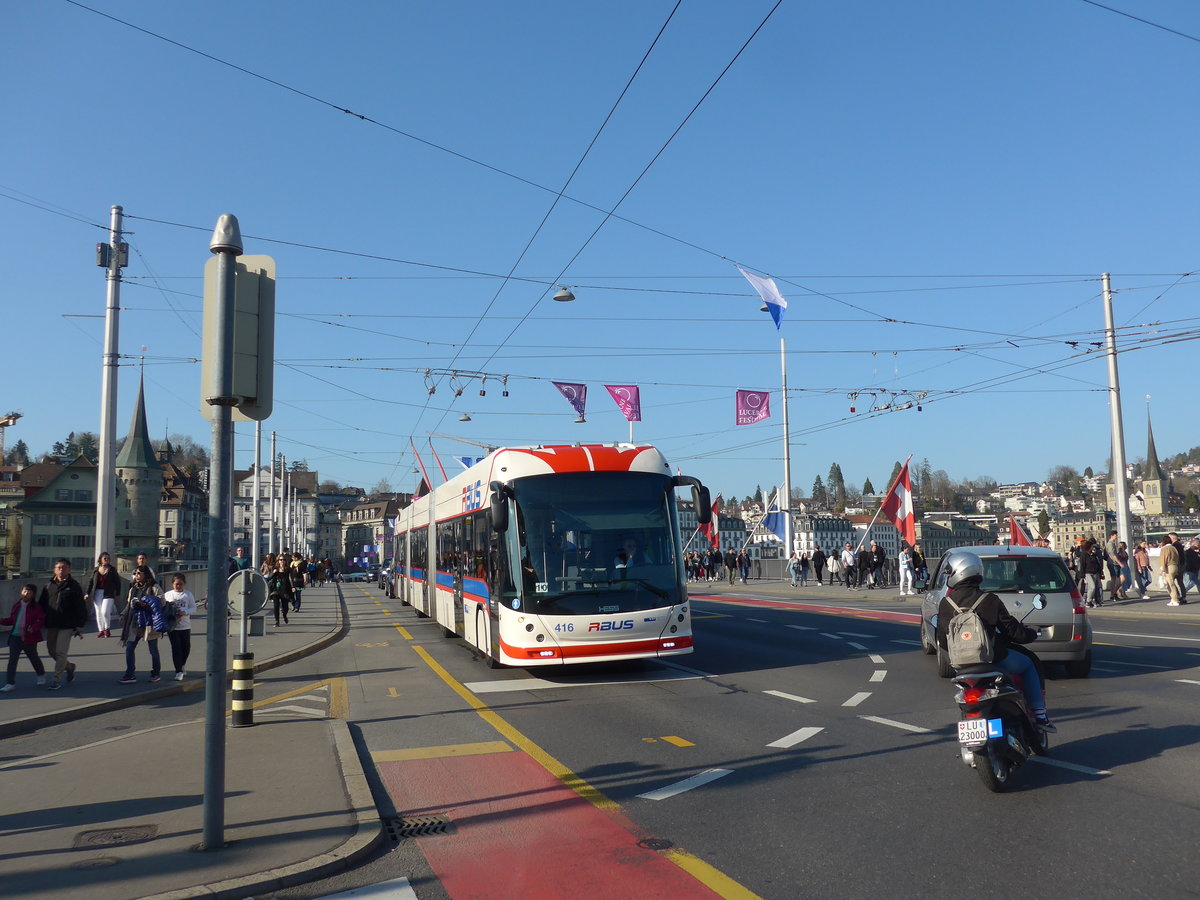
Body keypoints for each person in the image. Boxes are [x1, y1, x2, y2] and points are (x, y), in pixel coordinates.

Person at [935, 549, 1054, 731]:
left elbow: (943, 642)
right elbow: (1014, 633)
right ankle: (1039, 714)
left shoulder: (945, 604)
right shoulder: (989, 600)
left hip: (960, 666)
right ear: (975, 571)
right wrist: (1030, 632)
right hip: (992, 660)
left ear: (958, 572)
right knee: (1029, 664)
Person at [38, 558, 86, 691]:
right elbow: (41, 604)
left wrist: (80, 624)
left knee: (60, 652)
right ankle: (69, 667)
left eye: (64, 567)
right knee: (52, 651)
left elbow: (80, 607)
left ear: (69, 570)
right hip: (52, 623)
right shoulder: (48, 585)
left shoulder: (74, 586)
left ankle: (56, 679)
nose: (61, 569)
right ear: (54, 569)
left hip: (67, 624)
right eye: (58, 567)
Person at [118, 566, 167, 684]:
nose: (137, 575)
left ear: (146, 574)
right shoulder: (133, 589)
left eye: (139, 573)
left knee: (153, 649)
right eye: (135, 573)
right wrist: (123, 614)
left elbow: (162, 601)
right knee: (129, 648)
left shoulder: (154, 587)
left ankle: (156, 673)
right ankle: (130, 674)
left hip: (150, 622)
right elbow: (130, 604)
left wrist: (146, 602)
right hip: (135, 622)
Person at [2, 584, 47, 691]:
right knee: (12, 660)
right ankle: (10, 683)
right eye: (25, 591)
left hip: (29, 638)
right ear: (21, 592)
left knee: (33, 658)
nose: (26, 594)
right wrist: (1, 621)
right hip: (15, 637)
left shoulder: (36, 607)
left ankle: (41, 675)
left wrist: (34, 628)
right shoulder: (17, 605)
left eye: (29, 592)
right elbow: (12, 620)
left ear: (33, 595)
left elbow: (41, 620)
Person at [163, 573, 197, 681]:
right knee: (176, 648)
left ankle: (182, 664)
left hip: (185, 626)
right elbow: (163, 608)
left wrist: (185, 612)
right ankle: (178, 671)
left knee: (186, 647)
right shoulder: (168, 595)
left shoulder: (188, 595)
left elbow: (193, 607)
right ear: (172, 584)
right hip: (173, 627)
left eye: (180, 584)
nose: (178, 587)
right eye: (176, 584)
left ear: (184, 584)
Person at [83, 551, 122, 639]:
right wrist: (87, 593)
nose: (107, 560)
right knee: (99, 612)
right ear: (100, 559)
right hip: (97, 592)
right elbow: (91, 582)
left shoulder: (112, 570)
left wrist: (118, 593)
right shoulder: (96, 570)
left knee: (105, 611)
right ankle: (101, 630)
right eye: (105, 558)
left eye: (108, 558)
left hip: (109, 593)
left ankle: (107, 628)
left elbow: (117, 582)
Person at [1160, 533, 1186, 606]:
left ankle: (1174, 599)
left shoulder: (1165, 548)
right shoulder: (1174, 548)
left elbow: (1163, 559)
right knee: (1179, 583)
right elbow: (1178, 557)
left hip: (1169, 566)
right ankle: (1181, 597)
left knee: (1170, 584)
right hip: (1176, 566)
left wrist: (1162, 569)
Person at [267, 557, 294, 626]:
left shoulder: (288, 569)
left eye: (284, 560)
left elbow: (291, 578)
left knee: (285, 608)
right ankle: (277, 621)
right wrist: (273, 573)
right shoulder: (275, 569)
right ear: (278, 561)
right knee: (276, 605)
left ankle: (284, 615)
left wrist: (293, 587)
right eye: (280, 560)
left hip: (285, 590)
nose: (282, 561)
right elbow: (269, 578)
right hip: (276, 590)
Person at [1079, 538, 1105, 608]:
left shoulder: (1093, 554)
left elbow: (1097, 564)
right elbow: (1082, 565)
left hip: (1095, 572)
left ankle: (1094, 601)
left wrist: (1100, 573)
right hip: (1088, 573)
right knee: (1092, 586)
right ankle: (1088, 601)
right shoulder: (1084, 555)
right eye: (1091, 546)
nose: (1093, 548)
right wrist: (1083, 576)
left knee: (1096, 587)